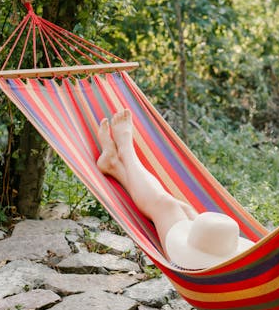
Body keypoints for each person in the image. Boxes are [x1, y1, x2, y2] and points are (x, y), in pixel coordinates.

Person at [96, 109, 254, 269]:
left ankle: (126, 151)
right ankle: (114, 164)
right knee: (186, 210)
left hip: (195, 271)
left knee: (166, 205)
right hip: (218, 265)